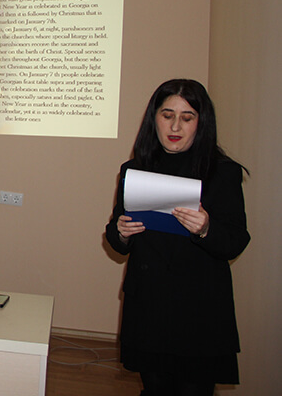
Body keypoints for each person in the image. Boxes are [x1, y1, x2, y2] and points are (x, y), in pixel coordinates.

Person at [106, 79, 249, 396]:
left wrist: (206, 228)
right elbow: (116, 240)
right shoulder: (134, 170)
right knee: (154, 388)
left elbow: (236, 241)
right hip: (149, 306)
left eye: (187, 117)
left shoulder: (222, 172)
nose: (175, 126)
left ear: (202, 122)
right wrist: (121, 233)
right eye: (167, 114)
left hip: (199, 311)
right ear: (153, 118)